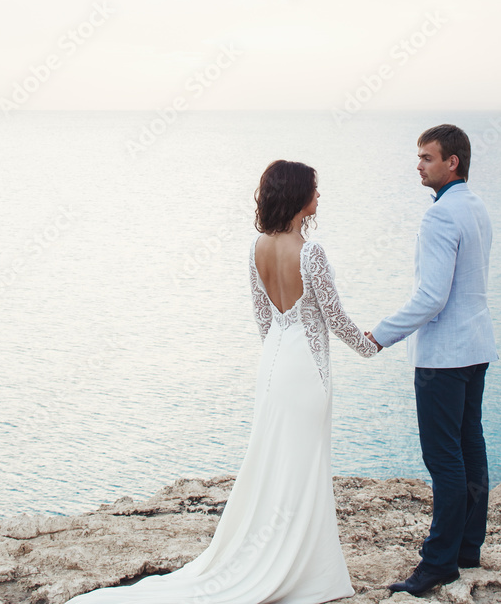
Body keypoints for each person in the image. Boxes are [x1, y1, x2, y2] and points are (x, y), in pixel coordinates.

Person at [66, 159, 378, 604]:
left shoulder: (257, 248)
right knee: (302, 465)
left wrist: (276, 359)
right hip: (306, 369)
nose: (319, 195)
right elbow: (336, 320)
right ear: (297, 195)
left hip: (273, 364)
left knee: (274, 461)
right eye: (315, 188)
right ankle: (303, 566)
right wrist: (373, 346)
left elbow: (262, 318)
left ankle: (280, 552)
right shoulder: (311, 252)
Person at [367, 124, 498, 599]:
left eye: (426, 157)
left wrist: (381, 335)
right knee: (470, 447)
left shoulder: (440, 217)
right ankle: (466, 547)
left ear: (451, 163)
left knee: (444, 459)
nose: (418, 164)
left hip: (445, 357)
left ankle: (438, 563)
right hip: (477, 348)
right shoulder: (477, 207)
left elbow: (431, 296)